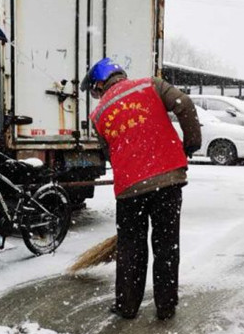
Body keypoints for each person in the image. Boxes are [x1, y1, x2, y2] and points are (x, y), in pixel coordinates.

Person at [82, 57, 202, 320]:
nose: (97, 95)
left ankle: (127, 306)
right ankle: (166, 306)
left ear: (101, 83)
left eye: (95, 90)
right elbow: (185, 104)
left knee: (130, 248)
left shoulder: (98, 114)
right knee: (167, 244)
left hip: (129, 189)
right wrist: (191, 143)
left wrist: (132, 166)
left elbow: (108, 152)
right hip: (168, 180)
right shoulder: (151, 85)